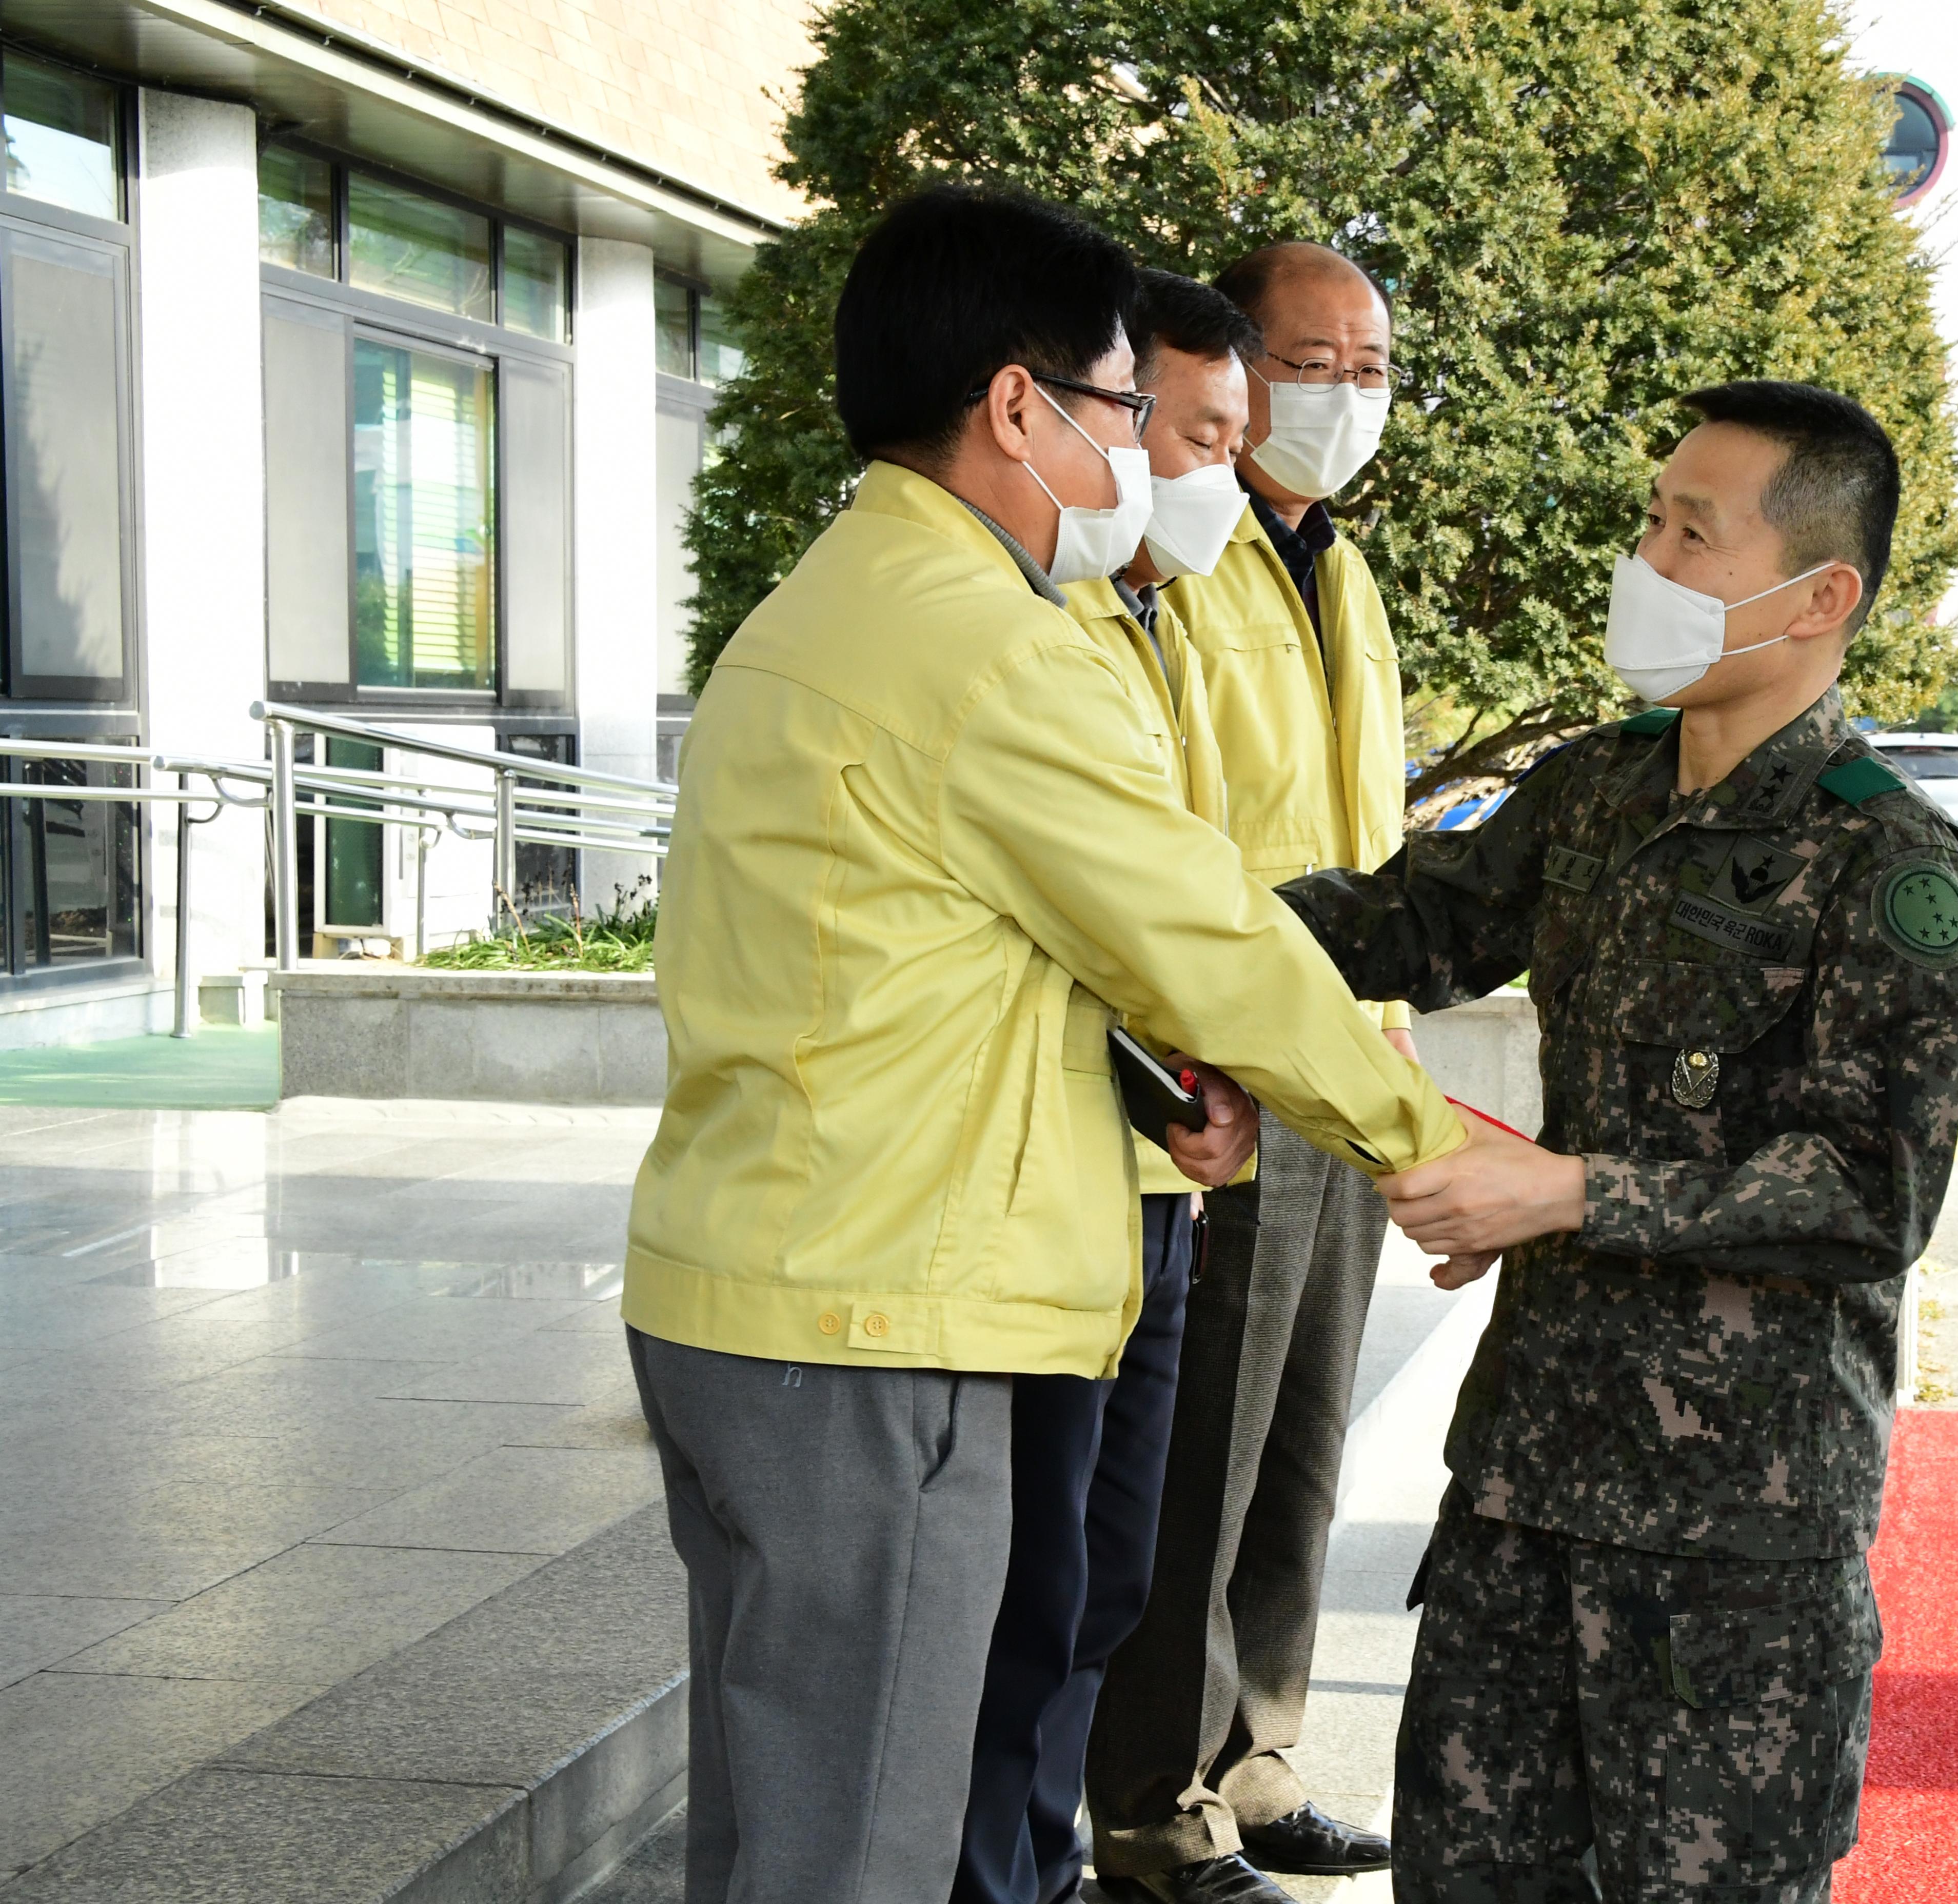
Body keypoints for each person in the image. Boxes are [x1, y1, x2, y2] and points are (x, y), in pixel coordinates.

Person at [620, 186, 1464, 1904]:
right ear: (1018, 407)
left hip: (766, 1285)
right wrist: (1431, 1143)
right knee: (856, 1851)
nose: (1141, 456)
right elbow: (1205, 934)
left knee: (779, 1829)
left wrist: (1166, 1085)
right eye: (1117, 409)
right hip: (875, 1322)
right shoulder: (989, 648)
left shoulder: (838, 604)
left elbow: (936, 959)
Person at [1276, 381, 1958, 1902]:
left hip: (1735, 1538)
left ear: (1823, 593)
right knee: (1469, 1879)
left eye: (1690, 532)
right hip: (1526, 1480)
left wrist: (1571, 1190)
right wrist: (1158, 926)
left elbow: (1876, 1191)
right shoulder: (1599, 788)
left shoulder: (1885, 855)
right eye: (1650, 521)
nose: (1646, 560)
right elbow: (1411, 923)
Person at [1088, 241, 1419, 1904]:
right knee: (1199, 1444)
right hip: (1234, 1065)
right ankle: (1156, 1792)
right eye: (1313, 360)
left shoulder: (1333, 560)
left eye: (1371, 363)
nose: (1345, 394)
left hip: (1348, 1049)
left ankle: (1259, 1752)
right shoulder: (1166, 554)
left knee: (1302, 1436)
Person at [952, 269, 1260, 1904]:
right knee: (1037, 1578)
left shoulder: (1172, 613)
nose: (1197, 464)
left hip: (1164, 1167)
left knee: (1108, 1570)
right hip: (1077, 1170)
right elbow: (1145, 924)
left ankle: (1045, 1864)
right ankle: (999, 1871)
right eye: (1171, 425)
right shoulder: (1024, 629)